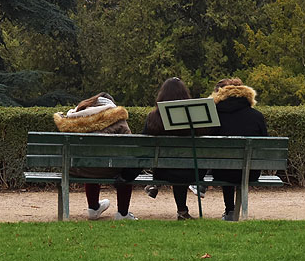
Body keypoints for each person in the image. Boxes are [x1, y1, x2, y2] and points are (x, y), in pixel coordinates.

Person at [53, 92, 137, 220]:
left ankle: (93, 208)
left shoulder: (76, 119)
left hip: (79, 169)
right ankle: (123, 213)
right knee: (127, 169)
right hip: (112, 169)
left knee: (89, 163)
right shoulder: (118, 120)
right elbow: (130, 149)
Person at [139, 77, 199, 220]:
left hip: (163, 171)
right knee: (181, 167)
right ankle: (182, 211)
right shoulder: (193, 117)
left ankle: (155, 184)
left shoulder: (154, 117)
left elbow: (143, 143)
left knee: (174, 166)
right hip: (192, 171)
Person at [211, 78, 267, 221]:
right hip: (251, 172)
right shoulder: (257, 116)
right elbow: (264, 144)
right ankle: (235, 211)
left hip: (221, 172)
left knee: (226, 162)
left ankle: (230, 210)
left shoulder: (215, 115)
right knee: (237, 165)